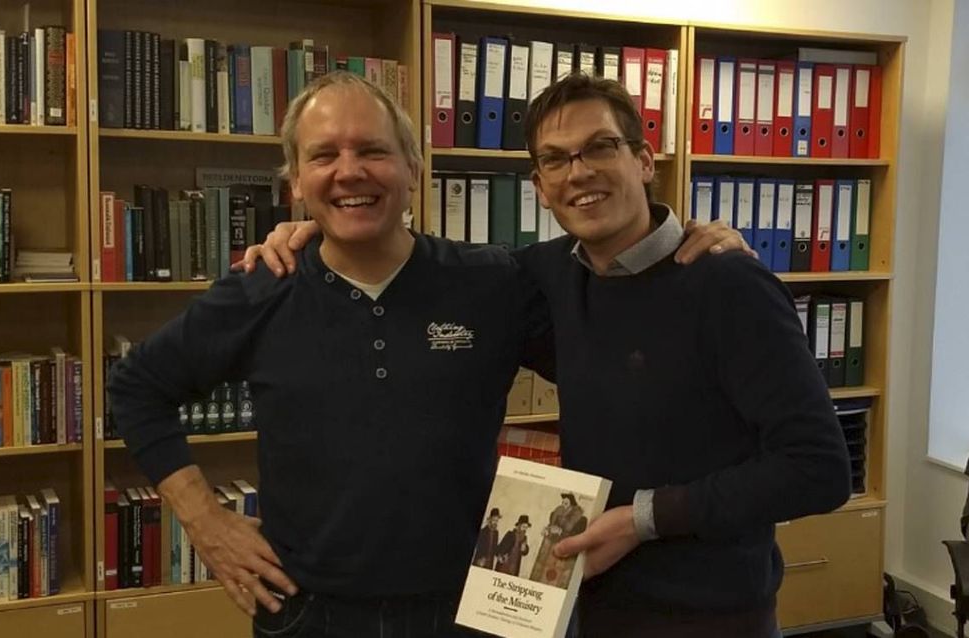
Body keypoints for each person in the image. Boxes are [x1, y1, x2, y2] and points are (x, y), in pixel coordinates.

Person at [247, 73, 851, 638]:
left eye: (600, 148)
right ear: (539, 187)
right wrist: (311, 237)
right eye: (556, 159)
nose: (579, 173)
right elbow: (420, 269)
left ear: (643, 161)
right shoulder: (541, 277)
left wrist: (643, 519)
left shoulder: (727, 285)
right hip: (583, 605)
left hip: (709, 616)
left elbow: (819, 470)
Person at [530, 493, 587, 586]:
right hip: (551, 550)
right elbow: (552, 526)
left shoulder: (581, 520)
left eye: (566, 503)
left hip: (566, 552)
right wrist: (547, 530)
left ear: (572, 505)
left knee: (559, 579)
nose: (563, 505)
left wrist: (561, 532)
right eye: (563, 502)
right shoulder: (556, 513)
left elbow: (577, 538)